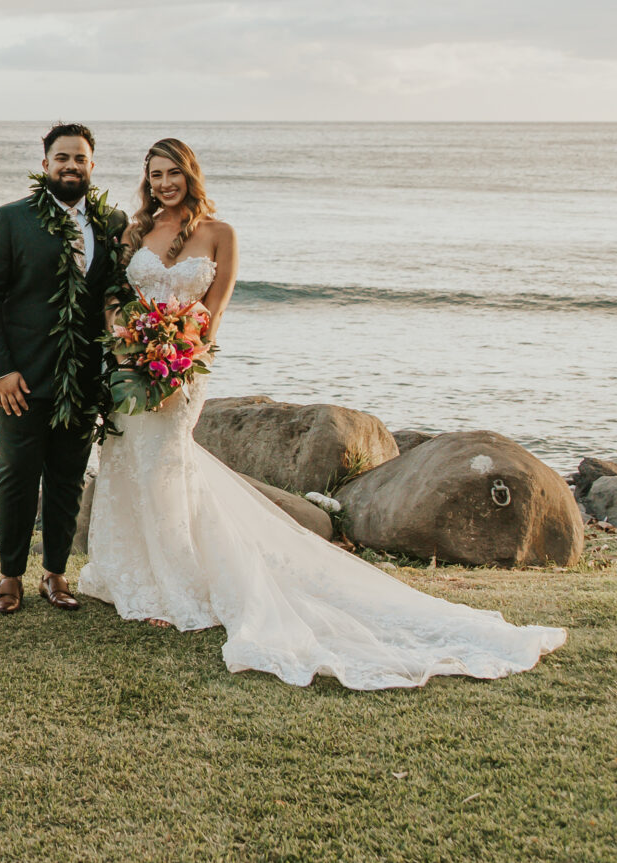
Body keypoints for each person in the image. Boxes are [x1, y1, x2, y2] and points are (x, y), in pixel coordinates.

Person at [81, 137, 566, 688]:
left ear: (191, 176)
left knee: (169, 464)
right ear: (147, 180)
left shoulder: (221, 235)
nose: (164, 183)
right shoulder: (134, 233)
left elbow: (213, 317)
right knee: (128, 460)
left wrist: (177, 365)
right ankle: (132, 577)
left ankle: (179, 585)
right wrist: (129, 346)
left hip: (181, 372)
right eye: (155, 175)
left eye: (174, 173)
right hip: (129, 367)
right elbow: (112, 299)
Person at [0, 123, 126, 613]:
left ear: (91, 166)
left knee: (68, 476)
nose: (71, 166)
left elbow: (115, 293)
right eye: (62, 158)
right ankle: (10, 576)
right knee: (17, 473)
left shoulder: (111, 223)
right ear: (46, 165)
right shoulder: (10, 220)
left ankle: (55, 575)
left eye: (80, 159)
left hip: (82, 376)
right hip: (20, 377)